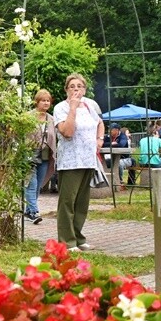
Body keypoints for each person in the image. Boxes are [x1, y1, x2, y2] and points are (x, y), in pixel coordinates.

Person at [53, 73, 104, 251]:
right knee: (68, 201)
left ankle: (78, 237)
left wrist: (100, 139)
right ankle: (67, 241)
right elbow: (67, 132)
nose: (76, 89)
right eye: (72, 86)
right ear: (66, 89)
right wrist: (73, 108)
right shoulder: (61, 107)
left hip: (88, 159)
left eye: (79, 86)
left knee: (82, 202)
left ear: (84, 89)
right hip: (70, 161)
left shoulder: (90, 105)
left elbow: (99, 122)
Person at [25, 89, 56, 224]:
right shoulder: (28, 117)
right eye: (43, 100)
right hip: (29, 155)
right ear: (37, 102)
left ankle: (28, 210)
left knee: (38, 185)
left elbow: (54, 138)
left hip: (44, 156)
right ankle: (34, 212)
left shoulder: (51, 119)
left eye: (48, 100)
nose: (46, 103)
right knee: (31, 184)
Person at [103, 122, 134, 187]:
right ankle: (107, 182)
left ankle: (119, 181)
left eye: (111, 129)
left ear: (117, 130)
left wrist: (109, 144)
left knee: (119, 164)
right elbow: (102, 144)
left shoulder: (123, 136)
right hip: (111, 158)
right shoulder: (108, 136)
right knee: (103, 163)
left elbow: (121, 145)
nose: (109, 131)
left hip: (125, 158)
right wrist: (112, 143)